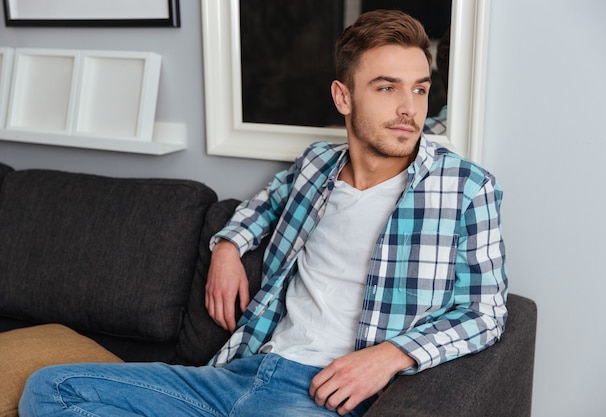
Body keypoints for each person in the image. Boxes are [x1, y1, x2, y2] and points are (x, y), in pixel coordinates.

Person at [19, 9, 507, 417]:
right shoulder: (316, 165)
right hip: (237, 373)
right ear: (343, 97)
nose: (409, 108)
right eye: (386, 88)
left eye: (419, 89)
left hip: (321, 396)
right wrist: (228, 246)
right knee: (50, 389)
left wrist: (388, 356)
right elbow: (263, 205)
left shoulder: (464, 187)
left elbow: (486, 313)